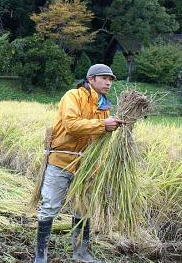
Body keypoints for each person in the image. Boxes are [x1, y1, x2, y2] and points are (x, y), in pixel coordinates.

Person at [34, 64, 121, 263]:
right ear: (91, 79)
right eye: (104, 78)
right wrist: (102, 125)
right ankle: (40, 256)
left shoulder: (104, 106)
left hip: (86, 165)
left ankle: (81, 254)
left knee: (83, 208)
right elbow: (71, 125)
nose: (108, 82)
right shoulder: (73, 96)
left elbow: (101, 137)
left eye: (110, 79)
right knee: (49, 206)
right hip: (61, 161)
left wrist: (116, 126)